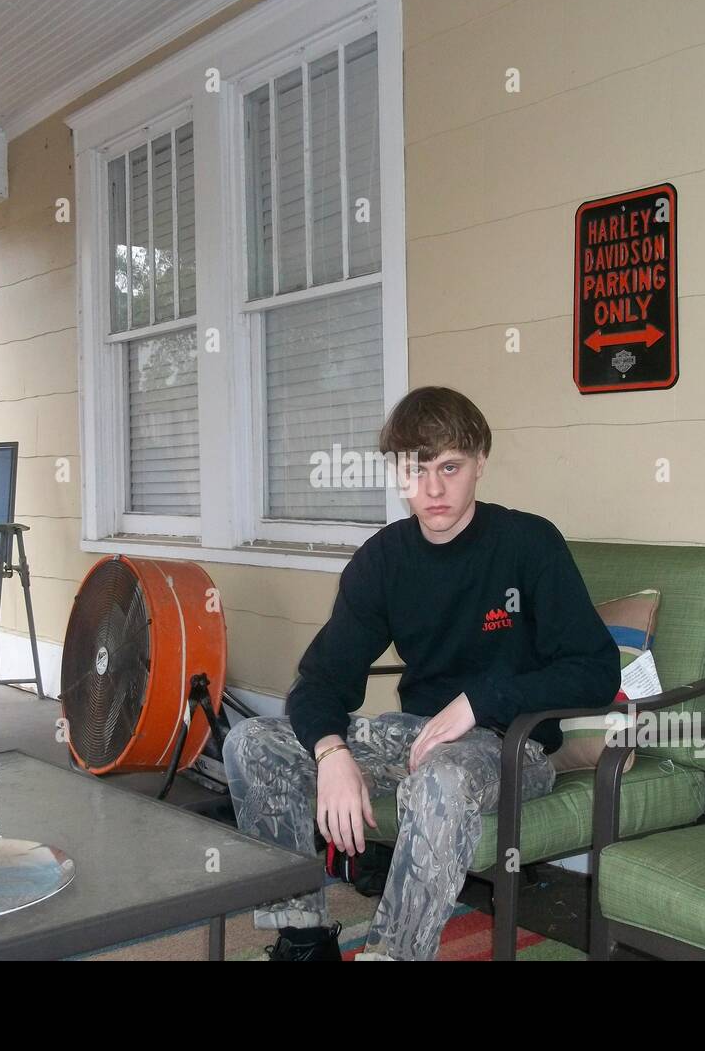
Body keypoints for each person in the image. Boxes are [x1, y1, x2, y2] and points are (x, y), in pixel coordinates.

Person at [223, 386, 620, 960]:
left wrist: (480, 701)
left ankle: (393, 955)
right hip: (415, 735)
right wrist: (332, 754)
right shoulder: (384, 560)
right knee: (252, 741)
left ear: (481, 463)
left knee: (442, 778)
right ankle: (304, 939)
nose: (432, 489)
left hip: (510, 748)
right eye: (415, 469)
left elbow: (594, 670)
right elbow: (319, 680)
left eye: (450, 467)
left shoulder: (529, 544)